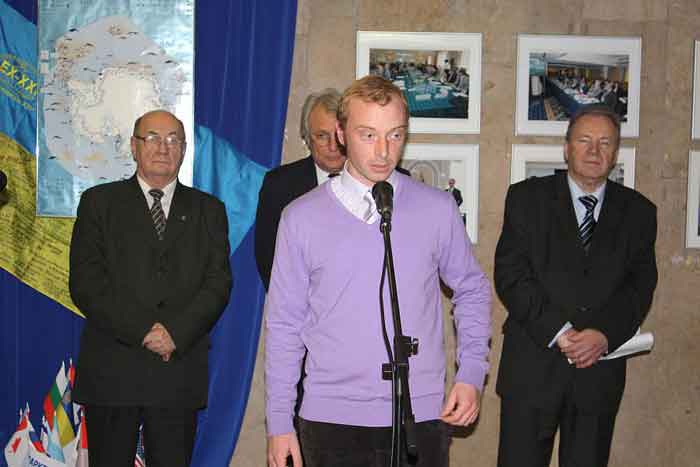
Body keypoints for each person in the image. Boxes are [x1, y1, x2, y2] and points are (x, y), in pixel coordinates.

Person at [265, 75, 491, 467]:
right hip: (331, 421)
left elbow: (472, 289)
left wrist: (471, 372)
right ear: (341, 134)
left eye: (395, 135)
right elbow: (284, 324)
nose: (384, 151)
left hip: (419, 415)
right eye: (368, 135)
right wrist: (280, 421)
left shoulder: (437, 209)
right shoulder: (300, 217)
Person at [494, 104, 658, 467]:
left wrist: (604, 334)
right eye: (584, 140)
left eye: (605, 142)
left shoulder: (640, 213)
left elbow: (640, 287)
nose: (594, 151)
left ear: (616, 152)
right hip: (532, 367)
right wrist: (561, 332)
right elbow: (511, 274)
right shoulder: (526, 199)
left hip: (598, 374)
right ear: (567, 148)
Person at [69, 110, 232, 467]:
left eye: (173, 140)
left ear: (184, 149)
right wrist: (144, 330)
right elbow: (86, 283)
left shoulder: (209, 210)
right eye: (152, 138)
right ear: (134, 146)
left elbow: (218, 284)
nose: (163, 147)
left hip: (177, 372)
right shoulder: (99, 203)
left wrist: (175, 333)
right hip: (113, 372)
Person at [255, 88, 345, 291]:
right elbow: (269, 261)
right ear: (307, 139)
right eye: (322, 136)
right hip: (302, 307)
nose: (333, 146)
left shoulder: (379, 184)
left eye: (339, 135)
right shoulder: (279, 185)